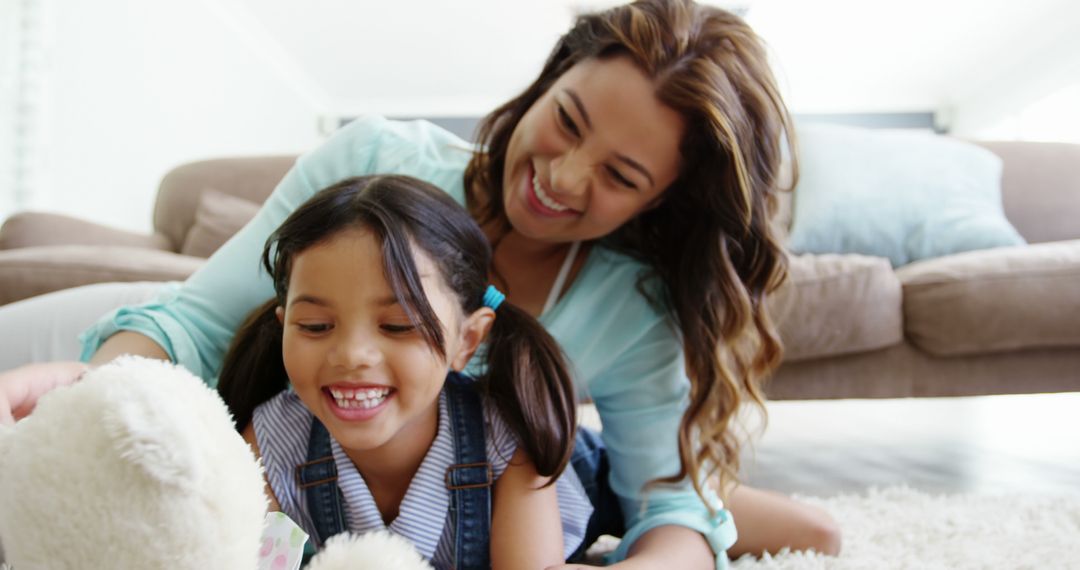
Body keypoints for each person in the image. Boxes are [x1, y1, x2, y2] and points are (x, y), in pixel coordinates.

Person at [0, 0, 841, 566]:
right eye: (567, 121)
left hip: (531, 461)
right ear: (550, 82)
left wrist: (678, 529)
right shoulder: (375, 165)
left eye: (619, 176)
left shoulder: (630, 304)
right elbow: (195, 326)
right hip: (307, 432)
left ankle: (733, 498)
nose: (562, 177)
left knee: (775, 521)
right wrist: (94, 389)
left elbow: (671, 509)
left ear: (663, 201)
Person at [220, 174, 591, 568]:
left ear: (466, 341)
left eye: (397, 326)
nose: (352, 355)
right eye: (315, 326)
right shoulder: (269, 442)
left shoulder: (510, 436)